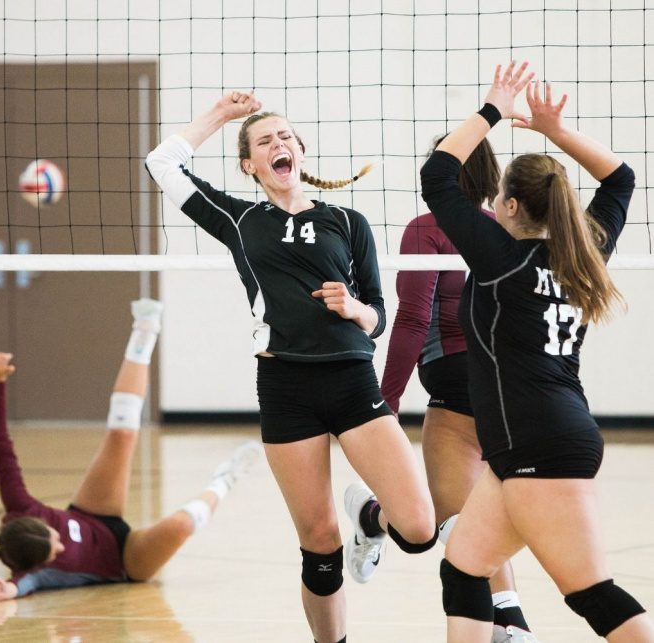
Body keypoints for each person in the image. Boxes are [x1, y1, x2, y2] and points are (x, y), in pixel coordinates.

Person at [146, 93, 437, 643]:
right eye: (264, 141)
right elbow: (161, 163)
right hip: (286, 386)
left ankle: (368, 520)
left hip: (352, 380)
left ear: (300, 152)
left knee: (420, 529)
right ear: (249, 165)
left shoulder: (348, 222)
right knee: (319, 542)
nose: (278, 144)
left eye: (285, 137)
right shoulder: (238, 218)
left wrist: (355, 309)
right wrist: (223, 116)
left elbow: (378, 317)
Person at [421, 62, 654, 642]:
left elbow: (438, 176)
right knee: (464, 568)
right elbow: (622, 180)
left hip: (539, 443)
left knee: (591, 593)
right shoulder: (584, 254)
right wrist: (556, 132)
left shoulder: (502, 260)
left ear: (511, 208)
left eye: (498, 195)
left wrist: (494, 108)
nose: (492, 202)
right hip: (534, 440)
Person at [0, 298, 261, 601]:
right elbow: (22, 585)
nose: (61, 547)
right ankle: (224, 480)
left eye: (54, 539)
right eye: (54, 552)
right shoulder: (35, 572)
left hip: (93, 514)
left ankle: (145, 328)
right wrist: (7, 590)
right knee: (180, 525)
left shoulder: (20, 504)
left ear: (35, 522)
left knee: (122, 434)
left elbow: (0, 446)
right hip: (126, 560)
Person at [381, 140, 539, 643]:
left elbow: (411, 319)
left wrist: (384, 403)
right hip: (510, 387)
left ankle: (369, 515)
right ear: (493, 178)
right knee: (477, 516)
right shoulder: (510, 232)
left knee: (448, 525)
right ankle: (512, 619)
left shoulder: (428, 228)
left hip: (455, 383)